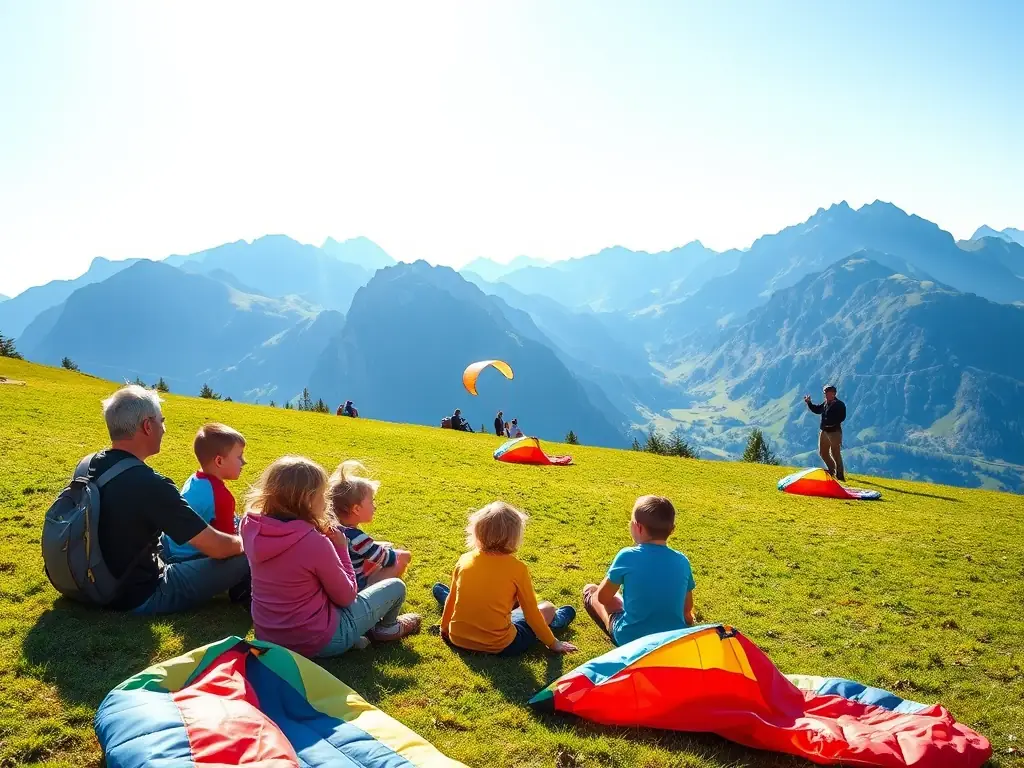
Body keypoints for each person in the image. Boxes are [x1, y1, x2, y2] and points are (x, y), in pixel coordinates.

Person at [85, 385, 249, 614]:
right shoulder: (150, 485)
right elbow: (218, 548)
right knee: (247, 557)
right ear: (147, 426)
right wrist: (248, 541)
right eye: (161, 421)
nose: (164, 429)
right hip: (141, 595)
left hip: (93, 582)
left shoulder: (89, 465)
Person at [241, 456, 421, 658]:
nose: (327, 502)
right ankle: (386, 629)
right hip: (317, 641)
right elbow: (346, 598)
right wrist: (342, 549)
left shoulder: (249, 526)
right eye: (322, 495)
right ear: (308, 500)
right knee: (396, 587)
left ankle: (354, 637)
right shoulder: (314, 542)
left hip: (269, 637)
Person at [432, 502, 577, 656]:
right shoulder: (518, 569)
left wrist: (444, 628)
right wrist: (553, 643)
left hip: (458, 639)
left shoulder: (464, 560)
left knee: (473, 597)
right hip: (500, 645)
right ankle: (556, 620)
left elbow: (452, 600)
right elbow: (532, 614)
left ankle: (466, 609)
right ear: (514, 537)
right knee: (547, 608)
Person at [583, 495, 695, 646]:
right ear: (672, 530)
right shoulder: (682, 561)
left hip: (631, 640)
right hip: (671, 641)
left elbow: (602, 598)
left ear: (638, 527)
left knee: (591, 590)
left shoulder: (627, 556)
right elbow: (687, 610)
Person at [163, 423, 247, 563]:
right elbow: (227, 544)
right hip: (188, 558)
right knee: (247, 557)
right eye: (239, 456)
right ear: (219, 461)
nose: (244, 462)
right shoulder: (221, 497)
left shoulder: (195, 479)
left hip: (171, 547)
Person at [328, 460, 412, 589]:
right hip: (357, 588)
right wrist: (394, 553)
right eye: (372, 502)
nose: (375, 507)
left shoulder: (332, 529)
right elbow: (387, 559)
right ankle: (384, 596)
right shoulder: (356, 538)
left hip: (340, 584)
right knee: (403, 556)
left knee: (381, 548)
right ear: (356, 509)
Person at [804, 385, 847, 481]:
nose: (826, 395)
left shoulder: (839, 404)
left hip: (834, 432)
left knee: (835, 453)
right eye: (825, 393)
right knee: (823, 453)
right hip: (824, 431)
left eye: (828, 393)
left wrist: (831, 422)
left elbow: (842, 417)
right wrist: (809, 403)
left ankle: (840, 476)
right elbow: (817, 409)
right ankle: (832, 471)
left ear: (834, 394)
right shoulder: (825, 404)